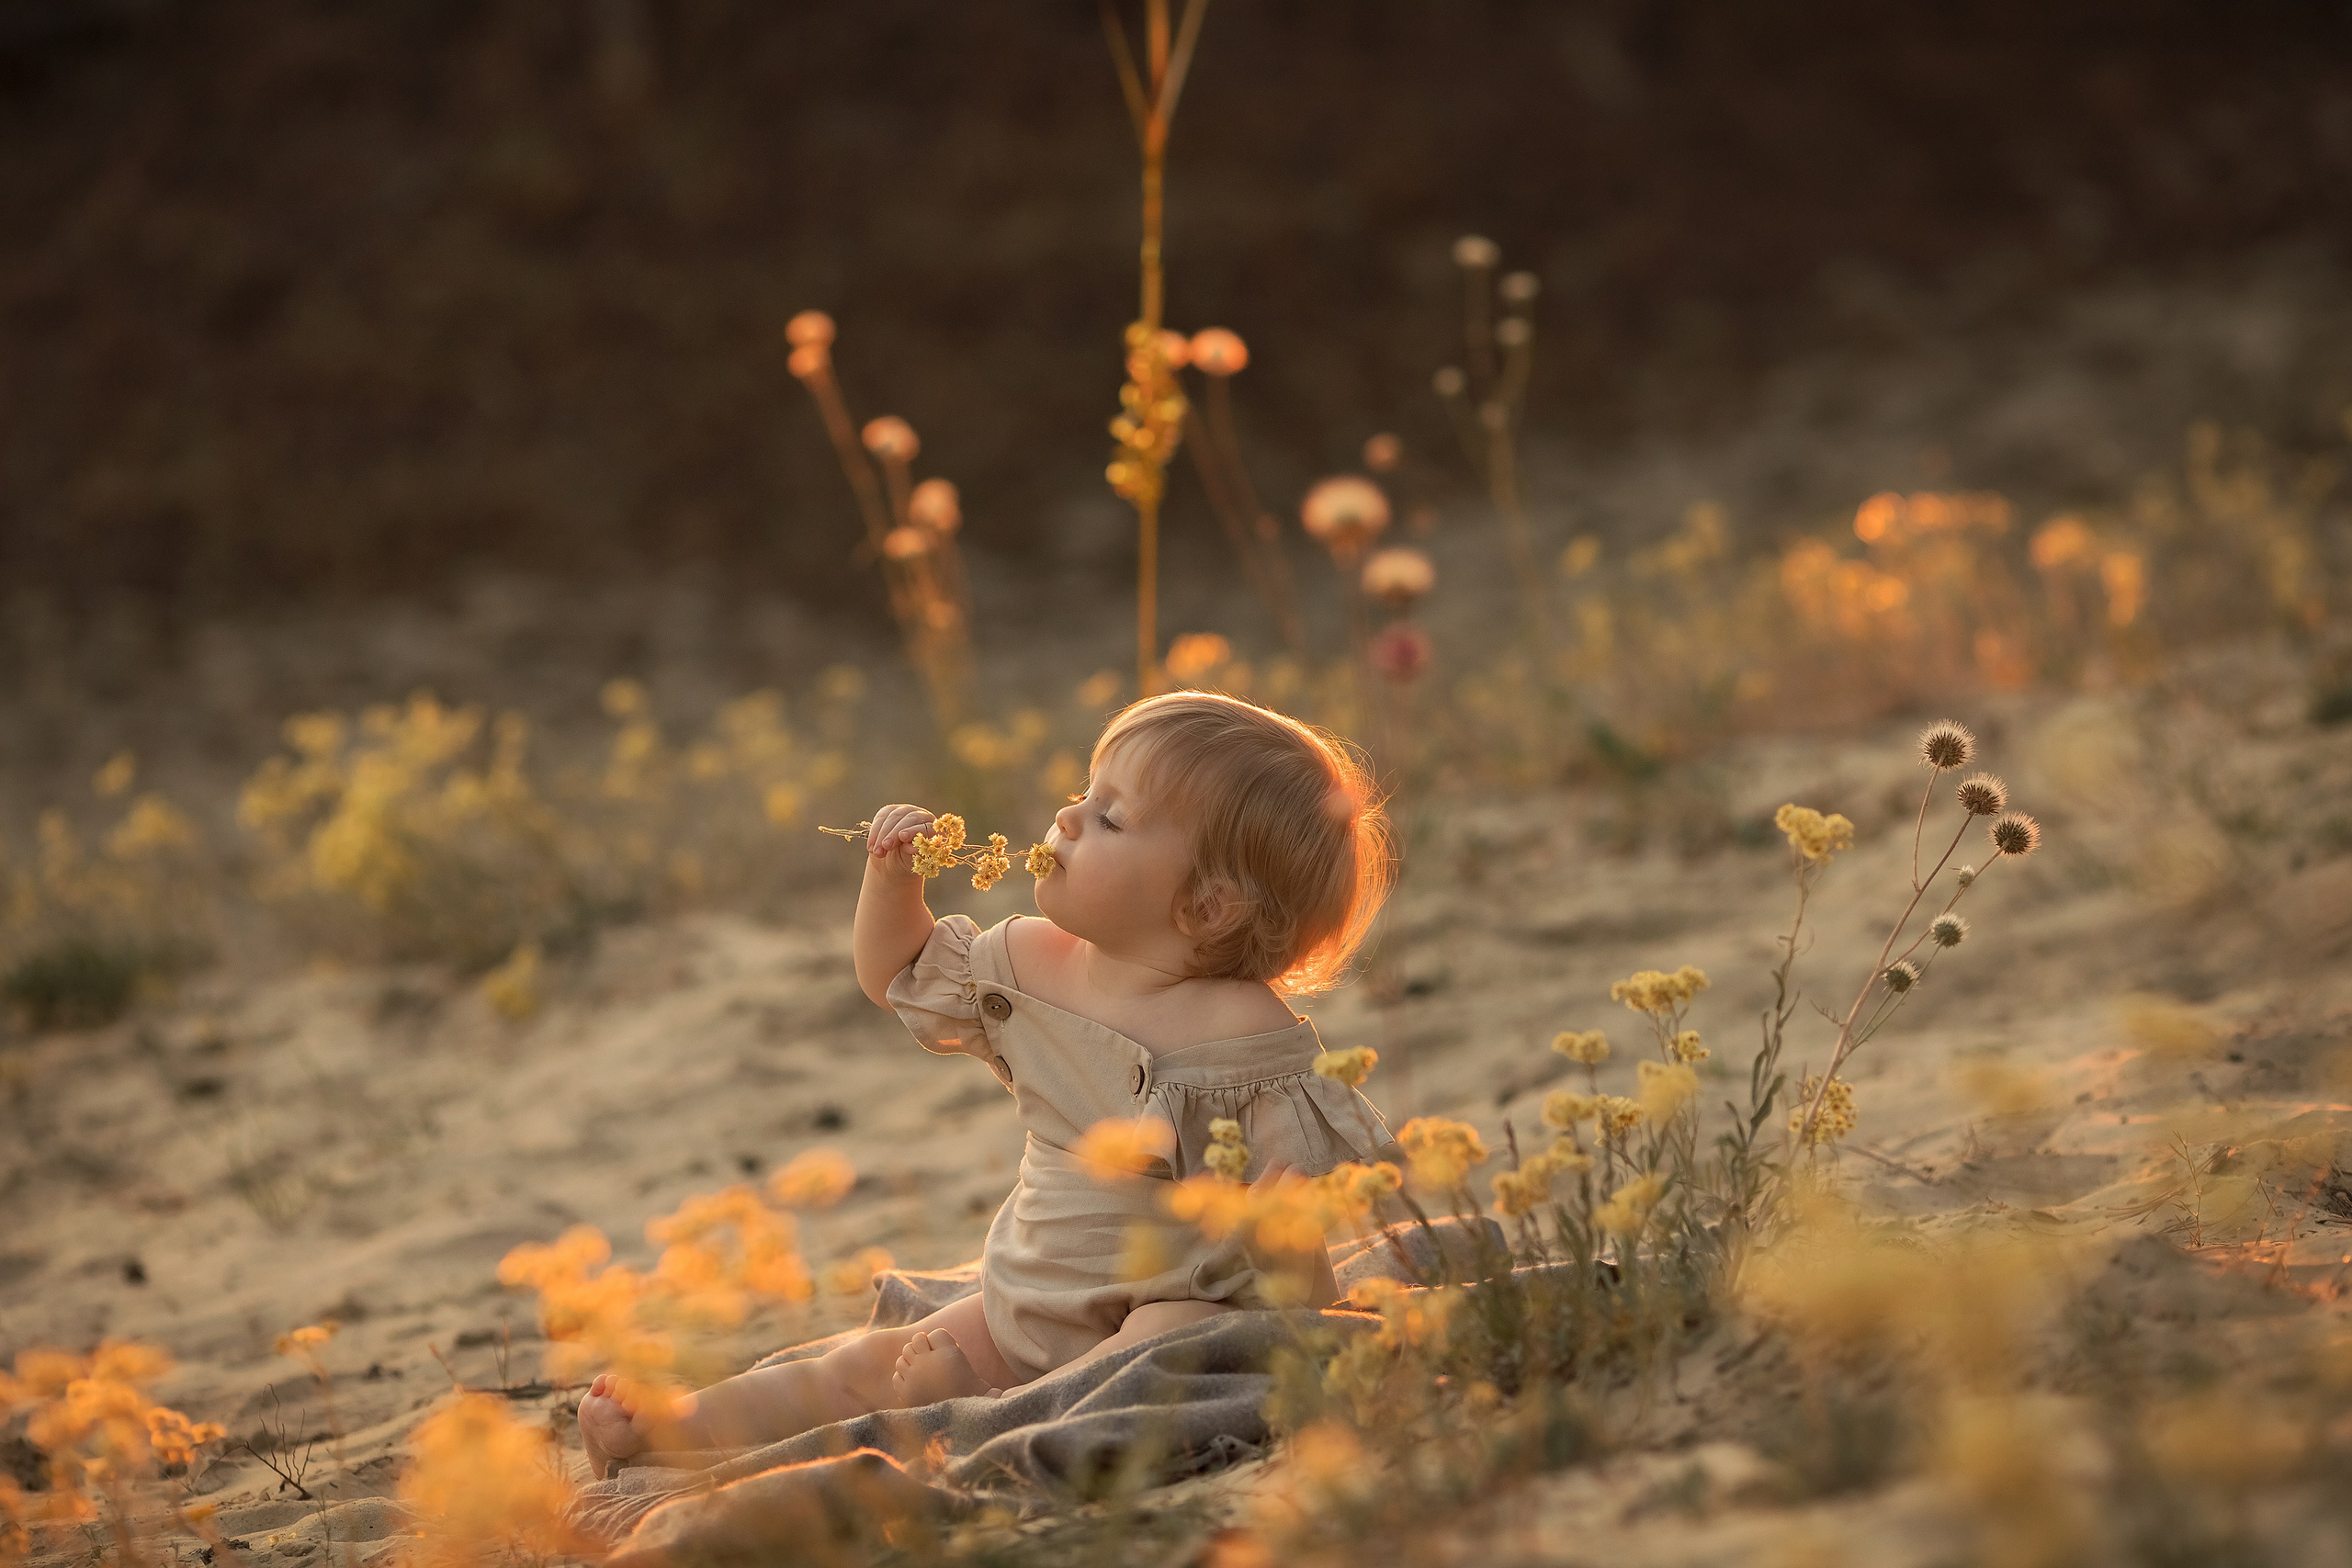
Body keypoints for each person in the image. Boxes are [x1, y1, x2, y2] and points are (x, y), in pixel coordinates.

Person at [577, 690, 1396, 1477]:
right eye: (1084, 792)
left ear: (1208, 906)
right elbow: (893, 971)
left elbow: (1300, 1246)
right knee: (860, 1367)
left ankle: (977, 1413)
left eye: (1111, 817)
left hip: (1169, 1298)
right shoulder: (1026, 963)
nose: (1068, 817)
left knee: (1163, 1340)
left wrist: (1286, 1247)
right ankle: (670, 1426)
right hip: (1028, 1294)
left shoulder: (1243, 1035)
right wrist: (893, 882)